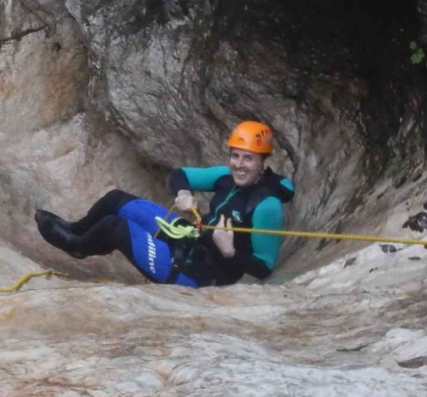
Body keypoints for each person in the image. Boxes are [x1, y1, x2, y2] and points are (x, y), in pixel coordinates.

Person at [34, 121, 295, 287]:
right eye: (235, 156)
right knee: (115, 200)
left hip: (201, 274)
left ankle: (77, 247)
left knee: (116, 227)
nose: (239, 165)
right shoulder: (225, 177)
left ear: (263, 163)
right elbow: (179, 175)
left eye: (248, 158)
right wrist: (183, 192)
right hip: (191, 240)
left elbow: (264, 268)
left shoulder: (266, 206)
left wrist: (230, 252)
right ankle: (77, 230)